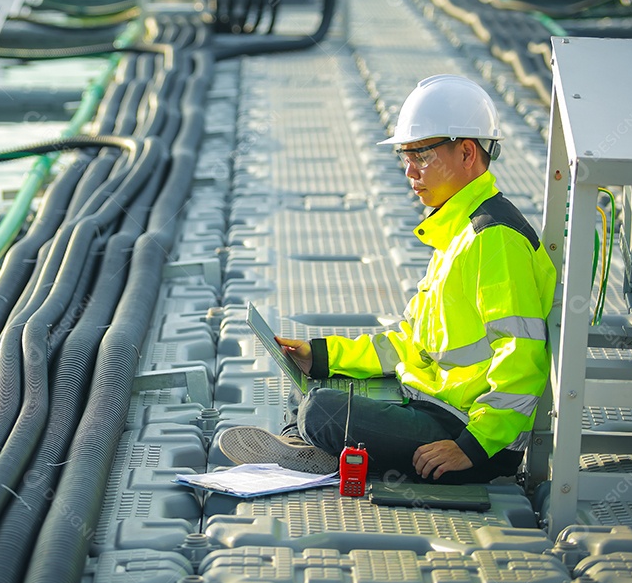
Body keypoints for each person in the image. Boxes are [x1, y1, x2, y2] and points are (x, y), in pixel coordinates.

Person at [219, 75, 557, 484]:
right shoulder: (459, 233)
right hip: (430, 402)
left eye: (422, 156)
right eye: (405, 156)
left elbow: (521, 358)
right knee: (311, 382)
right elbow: (412, 342)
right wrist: (324, 356)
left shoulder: (494, 240)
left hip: (465, 435)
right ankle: (305, 448)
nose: (410, 171)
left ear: (467, 152)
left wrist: (473, 446)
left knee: (321, 409)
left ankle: (308, 444)